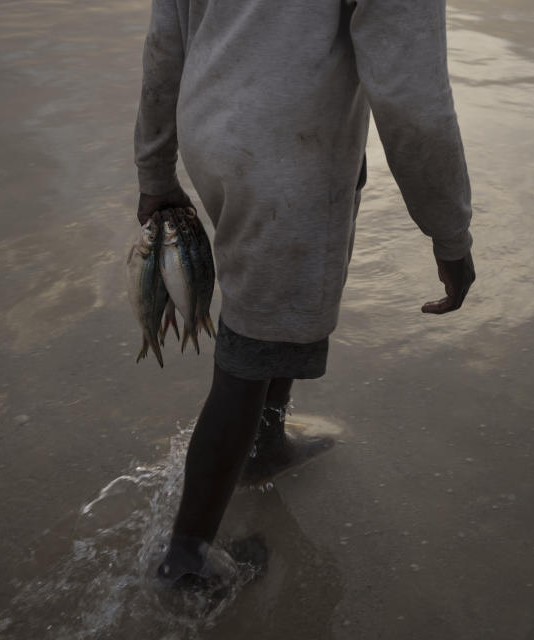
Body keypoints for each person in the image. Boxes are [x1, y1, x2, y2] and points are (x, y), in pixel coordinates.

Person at [134, 0, 476, 588]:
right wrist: (450, 231)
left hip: (213, 128)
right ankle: (185, 560)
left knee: (274, 311)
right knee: (252, 343)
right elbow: (412, 99)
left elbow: (167, 36)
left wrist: (156, 169)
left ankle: (265, 444)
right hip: (288, 152)